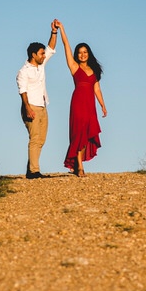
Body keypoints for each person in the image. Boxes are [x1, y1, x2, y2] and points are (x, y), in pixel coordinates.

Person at [56, 20, 107, 177]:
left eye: (85, 52)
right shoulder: (74, 67)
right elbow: (66, 46)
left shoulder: (94, 70)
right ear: (76, 55)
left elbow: (96, 88)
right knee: (78, 132)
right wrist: (62, 29)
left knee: (87, 133)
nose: (82, 54)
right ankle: (79, 166)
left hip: (90, 104)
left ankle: (78, 164)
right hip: (78, 102)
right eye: (80, 52)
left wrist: (103, 105)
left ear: (89, 53)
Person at [16, 19, 60, 178]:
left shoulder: (40, 65)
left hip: (42, 106)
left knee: (41, 139)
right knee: (35, 139)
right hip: (31, 106)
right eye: (41, 53)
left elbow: (51, 48)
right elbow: (23, 91)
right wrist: (27, 108)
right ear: (33, 55)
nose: (43, 55)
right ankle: (34, 171)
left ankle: (31, 169)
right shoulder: (23, 71)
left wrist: (54, 31)